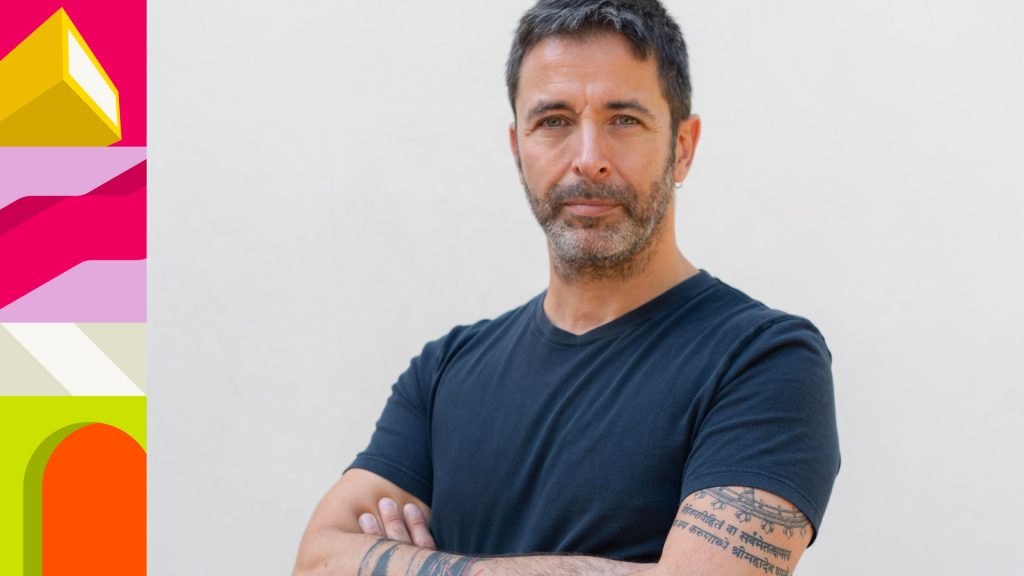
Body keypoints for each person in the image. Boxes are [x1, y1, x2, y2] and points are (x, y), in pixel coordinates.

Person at [293, 1, 840, 574]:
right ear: (517, 149)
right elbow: (317, 561)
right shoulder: (443, 373)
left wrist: (419, 566)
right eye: (554, 121)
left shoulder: (764, 360)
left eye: (623, 120)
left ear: (682, 147)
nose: (588, 159)